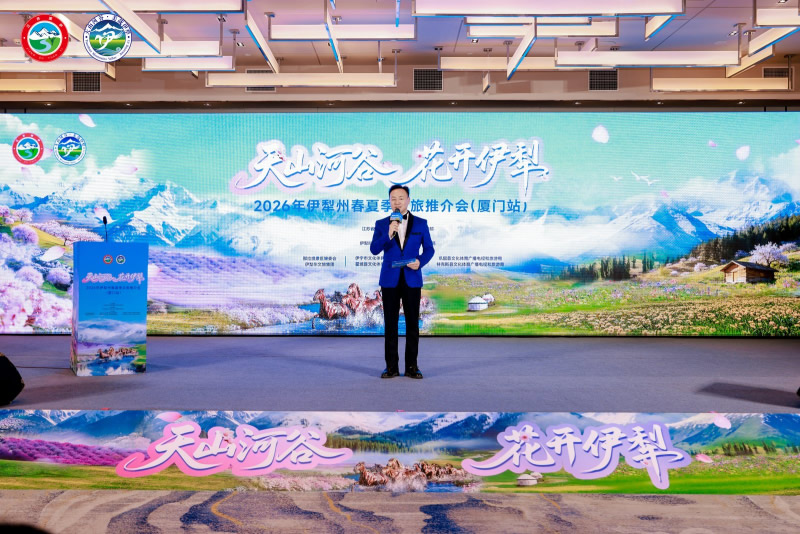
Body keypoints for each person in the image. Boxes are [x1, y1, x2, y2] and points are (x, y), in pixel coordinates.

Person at [370, 185, 434, 379]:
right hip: (389, 279)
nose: (397, 202)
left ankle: (412, 367)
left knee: (412, 324)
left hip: (411, 278)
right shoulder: (382, 224)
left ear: (408, 200)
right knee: (390, 325)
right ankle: (391, 367)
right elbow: (374, 249)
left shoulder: (421, 223)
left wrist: (420, 261)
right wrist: (389, 233)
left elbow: (429, 249)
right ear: (389, 201)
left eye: (400, 198)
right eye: (393, 199)